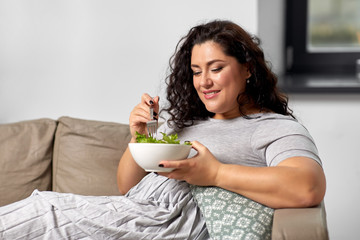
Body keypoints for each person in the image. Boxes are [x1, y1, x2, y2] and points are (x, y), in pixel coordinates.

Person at [0, 20, 326, 239]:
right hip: (139, 209)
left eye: (216, 69)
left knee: (46, 215)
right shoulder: (186, 123)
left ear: (248, 69)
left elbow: (308, 187)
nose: (204, 82)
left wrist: (215, 174)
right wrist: (140, 137)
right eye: (197, 71)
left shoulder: (273, 127)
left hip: (172, 220)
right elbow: (127, 188)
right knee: (45, 208)